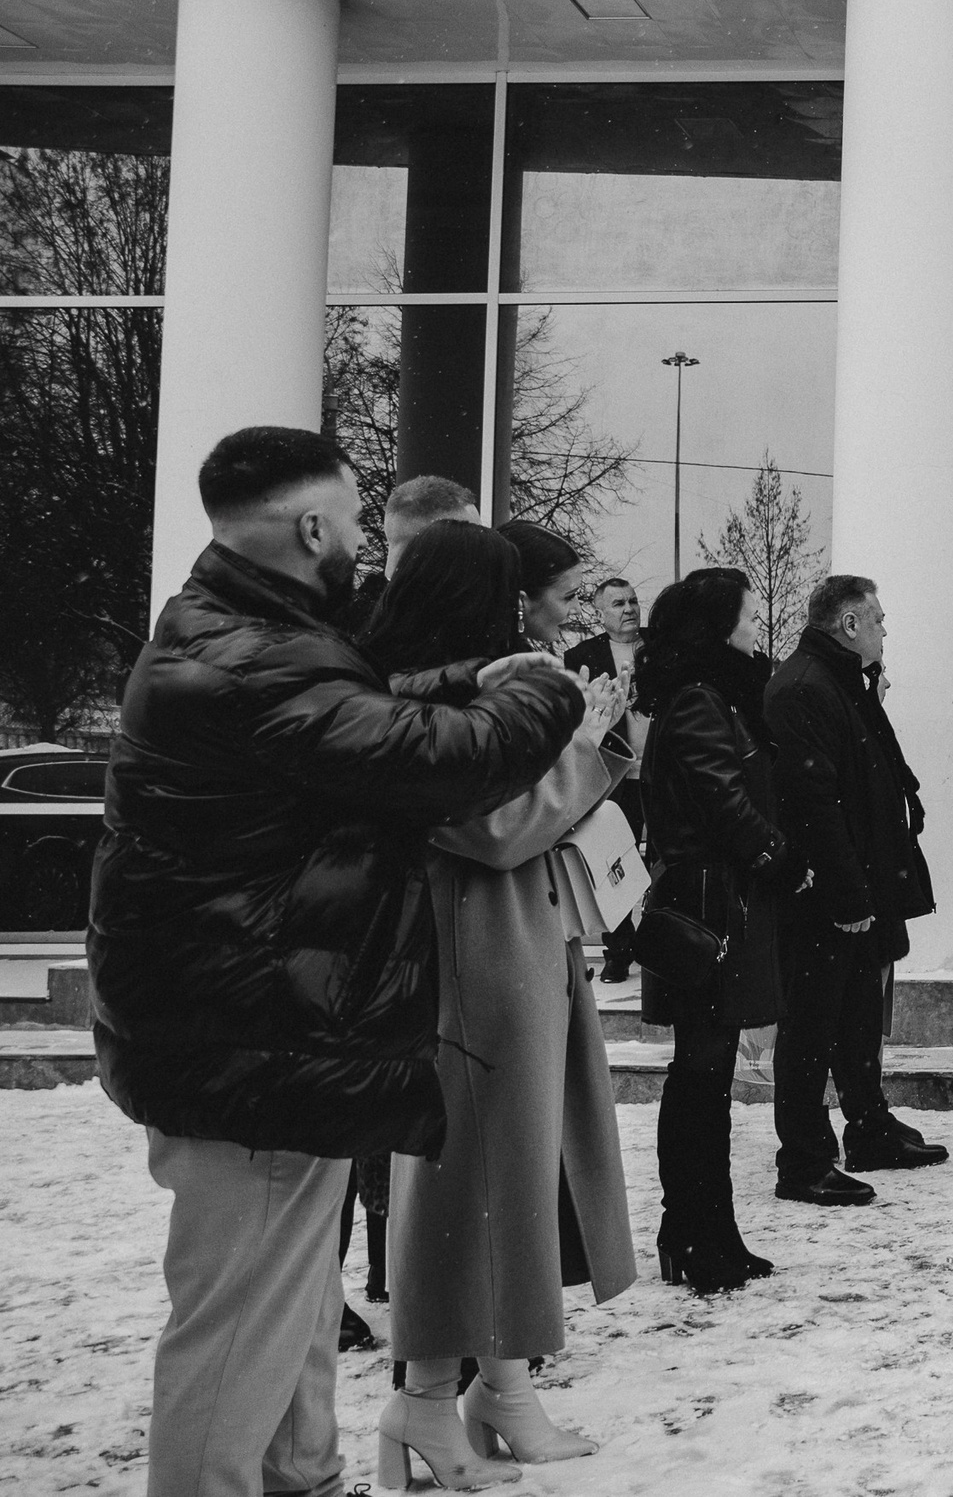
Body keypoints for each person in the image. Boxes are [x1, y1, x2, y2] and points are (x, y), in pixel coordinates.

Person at [88, 427, 581, 1497]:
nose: (368, 545)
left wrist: (473, 671)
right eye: (359, 522)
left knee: (289, 1307)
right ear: (313, 527)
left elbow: (371, 703)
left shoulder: (248, 633)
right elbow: (437, 757)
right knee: (233, 1335)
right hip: (250, 1043)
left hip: (269, 1033)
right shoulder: (252, 658)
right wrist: (545, 688)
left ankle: (305, 1478)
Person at [364, 521, 639, 1487]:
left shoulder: (463, 685)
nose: (569, 610)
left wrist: (586, 748)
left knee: (511, 1174)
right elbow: (496, 828)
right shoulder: (428, 700)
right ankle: (432, 1400)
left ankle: (492, 1388)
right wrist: (586, 749)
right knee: (473, 1175)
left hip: (515, 941)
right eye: (554, 593)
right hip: (476, 948)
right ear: (500, 598)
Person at [766, 575, 949, 1208]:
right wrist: (847, 896)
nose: (884, 631)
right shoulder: (805, 688)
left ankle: (868, 1126)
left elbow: (868, 776)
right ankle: (805, 1158)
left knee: (857, 1016)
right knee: (812, 1025)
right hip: (832, 895)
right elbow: (814, 804)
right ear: (849, 624)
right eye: (877, 620)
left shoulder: (842, 681)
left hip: (866, 881)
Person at [636, 566, 794, 1294]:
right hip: (709, 909)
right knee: (700, 1077)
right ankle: (696, 1232)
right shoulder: (700, 702)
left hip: (711, 902)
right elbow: (724, 804)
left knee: (705, 1075)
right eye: (749, 612)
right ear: (717, 622)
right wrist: (780, 859)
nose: (757, 624)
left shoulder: (705, 695)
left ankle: (707, 1229)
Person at [566, 575, 652, 981]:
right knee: (614, 861)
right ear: (600, 613)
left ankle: (658, 944)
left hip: (660, 772)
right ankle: (619, 950)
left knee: (660, 860)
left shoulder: (659, 646)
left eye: (633, 601)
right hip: (615, 773)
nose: (630, 609)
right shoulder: (580, 657)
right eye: (618, 604)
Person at [340, 473, 480, 633]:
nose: (483, 544)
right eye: (470, 537)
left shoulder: (363, 620)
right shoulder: (428, 626)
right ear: (434, 542)